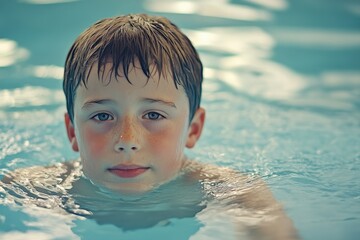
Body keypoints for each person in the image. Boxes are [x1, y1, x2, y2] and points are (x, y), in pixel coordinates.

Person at [2, 14, 298, 239]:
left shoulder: (235, 193)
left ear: (193, 129)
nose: (127, 140)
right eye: (103, 116)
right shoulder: (32, 189)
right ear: (72, 132)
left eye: (153, 115)